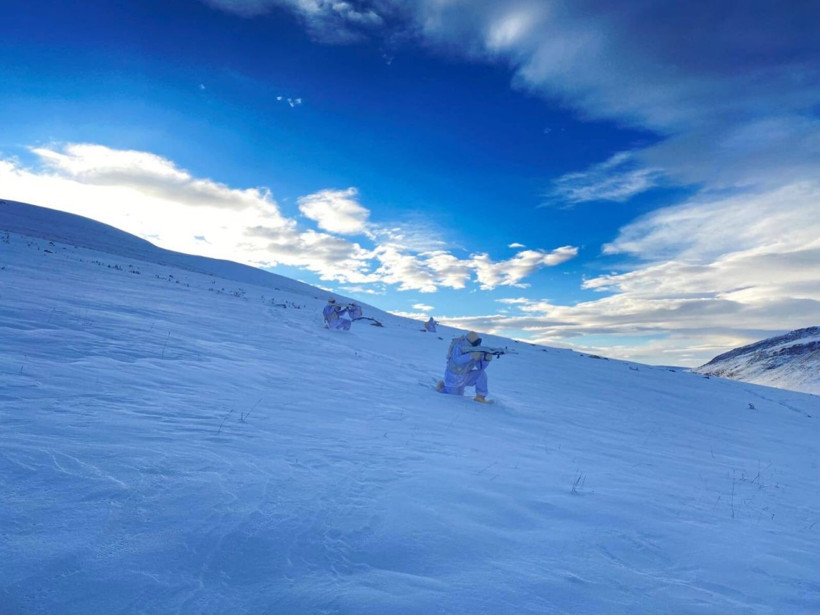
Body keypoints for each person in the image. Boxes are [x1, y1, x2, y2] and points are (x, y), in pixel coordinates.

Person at [436, 331, 492, 403]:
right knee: (454, 397)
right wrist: (470, 356)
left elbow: (480, 367)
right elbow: (457, 360)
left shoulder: (476, 349)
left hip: (466, 375)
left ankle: (480, 397)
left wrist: (486, 360)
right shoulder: (459, 345)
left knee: (481, 374)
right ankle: (441, 387)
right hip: (453, 377)